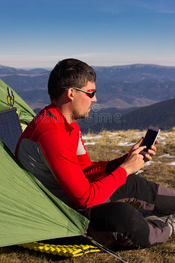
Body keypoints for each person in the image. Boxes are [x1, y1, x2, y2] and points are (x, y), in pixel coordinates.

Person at [15, 58, 175, 249]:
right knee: (124, 217)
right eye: (91, 93)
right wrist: (124, 169)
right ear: (71, 93)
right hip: (60, 216)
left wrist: (126, 160)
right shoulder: (51, 133)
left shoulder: (67, 124)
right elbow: (84, 198)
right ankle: (167, 227)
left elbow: (87, 170)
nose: (95, 99)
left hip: (72, 201)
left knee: (131, 183)